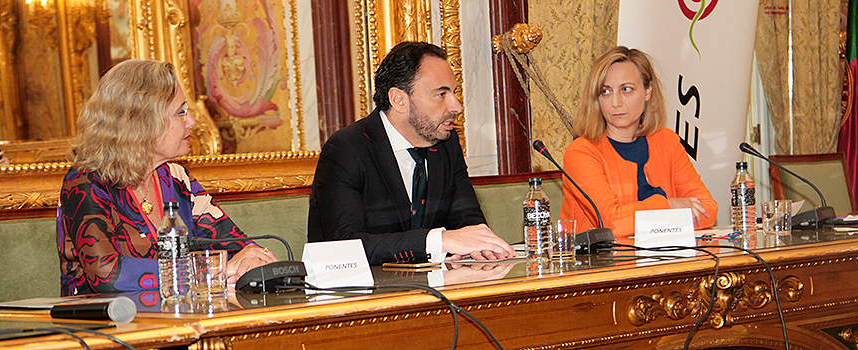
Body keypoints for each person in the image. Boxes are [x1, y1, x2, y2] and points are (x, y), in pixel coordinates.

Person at [57, 59, 276, 296]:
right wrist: (210, 270)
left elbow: (234, 243)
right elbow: (107, 274)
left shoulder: (175, 178)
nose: (191, 122)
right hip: (107, 326)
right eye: (181, 112)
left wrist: (251, 260)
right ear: (141, 121)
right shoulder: (85, 183)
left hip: (181, 317)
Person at [308, 41, 517, 265]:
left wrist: (480, 248)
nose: (456, 106)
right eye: (441, 94)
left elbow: (468, 223)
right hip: (359, 292)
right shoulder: (347, 149)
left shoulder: (446, 142)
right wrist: (438, 240)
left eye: (454, 93)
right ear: (399, 99)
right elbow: (344, 246)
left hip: (434, 287)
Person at [560, 46, 717, 238]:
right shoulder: (582, 153)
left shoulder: (666, 141)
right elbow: (611, 224)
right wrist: (668, 205)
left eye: (626, 90)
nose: (616, 102)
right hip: (601, 264)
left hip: (666, 259)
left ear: (648, 92)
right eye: (606, 91)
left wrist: (645, 218)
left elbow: (707, 209)